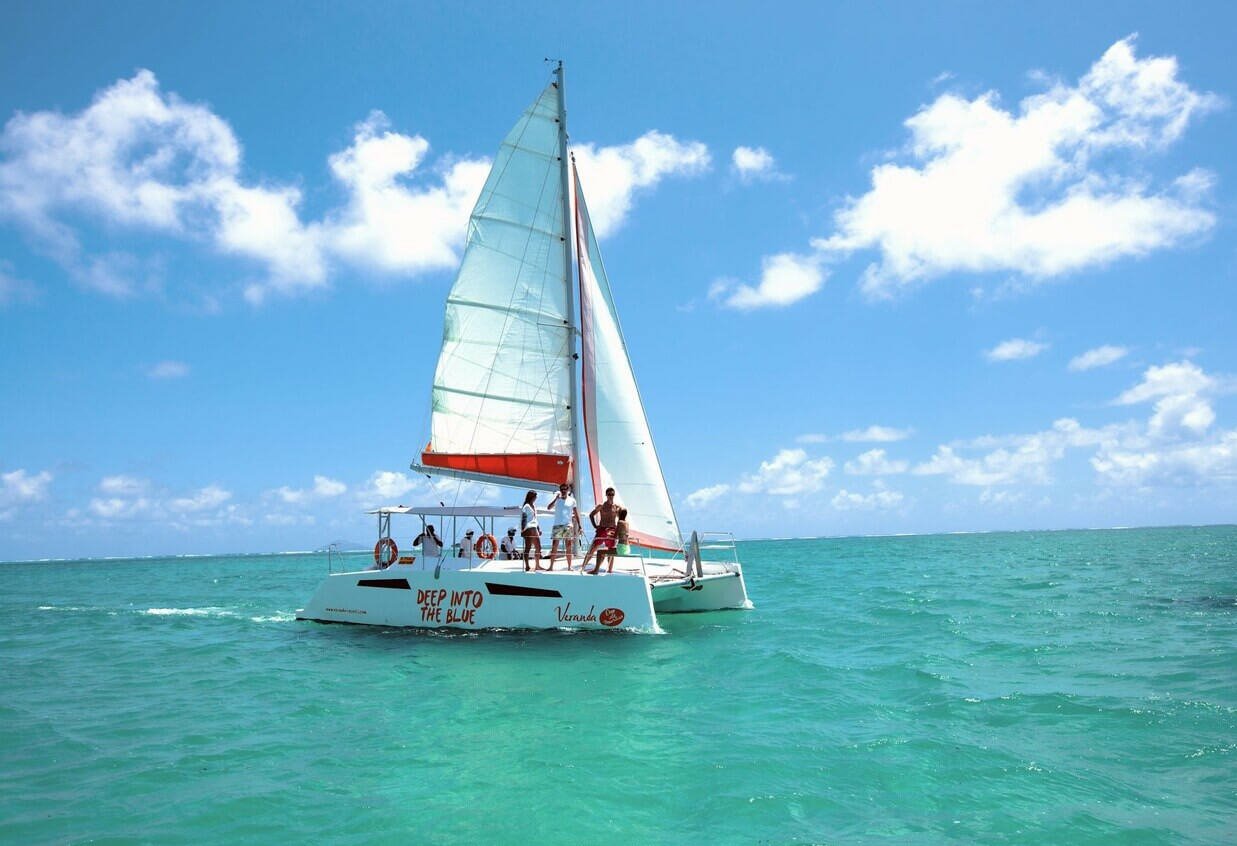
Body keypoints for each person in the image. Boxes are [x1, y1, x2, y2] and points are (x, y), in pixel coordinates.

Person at [582, 487, 619, 575]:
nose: (611, 496)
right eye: (609, 494)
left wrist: (619, 531)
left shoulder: (616, 507)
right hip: (602, 529)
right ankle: (583, 567)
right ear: (606, 495)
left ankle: (610, 570)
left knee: (611, 550)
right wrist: (595, 526)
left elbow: (621, 519)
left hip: (612, 530)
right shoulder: (601, 506)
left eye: (612, 494)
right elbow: (591, 515)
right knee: (593, 548)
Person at [546, 482, 581, 571]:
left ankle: (569, 567)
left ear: (568, 490)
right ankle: (551, 567)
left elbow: (576, 514)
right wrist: (555, 499)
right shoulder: (557, 499)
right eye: (562, 489)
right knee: (554, 546)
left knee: (568, 547)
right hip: (557, 525)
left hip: (568, 525)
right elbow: (548, 507)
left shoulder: (572, 500)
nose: (563, 490)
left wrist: (580, 525)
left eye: (565, 489)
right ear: (560, 490)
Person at [520, 490, 542, 571]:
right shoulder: (526, 506)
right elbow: (524, 518)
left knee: (531, 548)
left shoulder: (533, 506)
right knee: (535, 547)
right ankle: (532, 566)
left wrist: (538, 528)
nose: (536, 497)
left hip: (533, 527)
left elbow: (535, 518)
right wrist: (522, 530)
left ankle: (532, 566)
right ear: (532, 497)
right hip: (530, 528)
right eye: (535, 496)